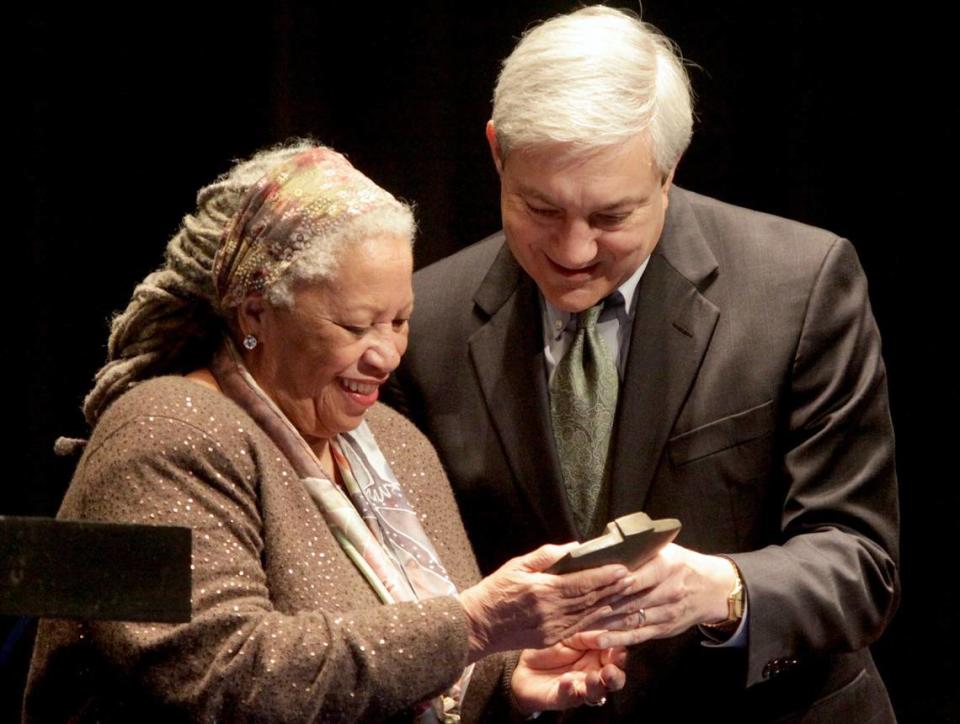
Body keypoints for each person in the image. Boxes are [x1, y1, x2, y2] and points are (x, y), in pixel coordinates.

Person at [385, 6, 900, 722]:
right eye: (538, 208)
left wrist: (722, 588)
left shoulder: (800, 285)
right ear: (496, 151)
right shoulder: (422, 321)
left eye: (610, 218)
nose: (572, 251)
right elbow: (411, 589)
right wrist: (506, 670)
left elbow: (860, 560)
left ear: (669, 169)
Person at [23, 142, 640, 723]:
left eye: (399, 320)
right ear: (256, 311)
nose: (387, 355)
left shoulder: (397, 444)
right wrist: (473, 626)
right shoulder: (152, 433)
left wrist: (506, 677)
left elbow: (418, 664)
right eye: (355, 326)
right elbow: (214, 677)